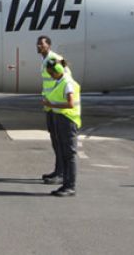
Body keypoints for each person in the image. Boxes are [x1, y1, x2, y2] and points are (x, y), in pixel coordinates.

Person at [42, 58, 81, 197]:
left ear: (56, 71)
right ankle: (66, 184)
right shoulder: (60, 81)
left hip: (68, 120)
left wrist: (51, 104)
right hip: (62, 119)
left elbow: (70, 104)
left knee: (69, 155)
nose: (50, 75)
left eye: (51, 73)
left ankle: (70, 186)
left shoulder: (67, 83)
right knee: (65, 154)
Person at [37, 35, 70, 185]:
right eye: (38, 44)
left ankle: (62, 173)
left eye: (42, 44)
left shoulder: (55, 58)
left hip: (56, 105)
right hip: (50, 105)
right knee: (54, 140)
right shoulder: (44, 60)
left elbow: (66, 73)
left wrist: (59, 97)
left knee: (59, 140)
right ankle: (58, 170)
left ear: (49, 46)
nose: (39, 46)